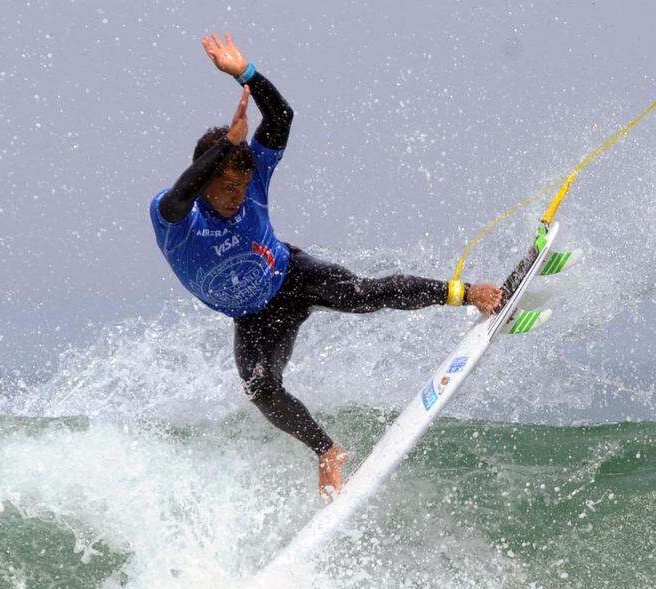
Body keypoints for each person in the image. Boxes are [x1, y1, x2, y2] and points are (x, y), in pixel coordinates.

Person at [149, 33, 503, 497]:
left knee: (363, 295)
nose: (239, 196)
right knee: (261, 389)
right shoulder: (174, 216)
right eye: (229, 186)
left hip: (290, 275)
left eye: (243, 186)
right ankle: (328, 451)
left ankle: (467, 293)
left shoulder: (252, 181)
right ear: (206, 179)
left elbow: (282, 117)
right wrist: (223, 149)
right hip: (253, 317)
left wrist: (245, 74)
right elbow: (179, 196)